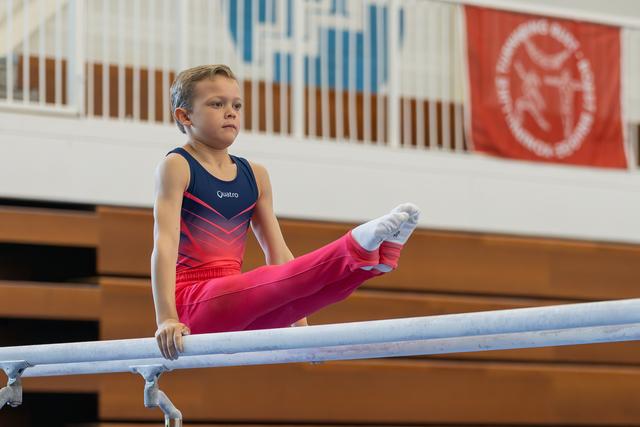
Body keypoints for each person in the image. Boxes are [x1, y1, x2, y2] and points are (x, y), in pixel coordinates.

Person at [151, 64, 420, 360]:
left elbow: (278, 253)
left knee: (318, 293)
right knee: (268, 283)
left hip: (242, 307)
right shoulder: (177, 166)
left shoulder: (255, 175)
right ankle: (353, 247)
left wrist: (298, 318)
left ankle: (372, 263)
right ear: (184, 115)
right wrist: (167, 318)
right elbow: (165, 245)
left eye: (236, 105)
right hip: (194, 305)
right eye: (217, 104)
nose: (231, 112)